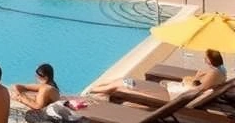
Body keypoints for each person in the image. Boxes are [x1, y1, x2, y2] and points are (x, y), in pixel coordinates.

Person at [88, 49, 226, 98]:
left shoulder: (213, 74)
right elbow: (202, 85)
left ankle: (94, 90)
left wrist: (190, 80)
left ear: (211, 59)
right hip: (169, 91)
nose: (204, 59)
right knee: (124, 81)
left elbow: (198, 89)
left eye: (206, 57)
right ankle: (101, 89)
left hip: (170, 94)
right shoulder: (220, 71)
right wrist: (198, 77)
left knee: (122, 84)